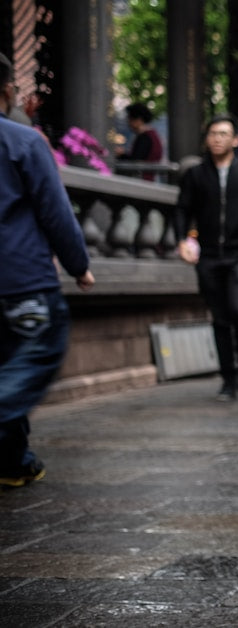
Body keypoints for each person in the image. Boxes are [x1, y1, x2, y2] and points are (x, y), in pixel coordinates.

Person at [0, 52, 95, 487]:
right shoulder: (23, 141)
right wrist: (79, 265)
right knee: (36, 353)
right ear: (7, 92)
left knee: (6, 363)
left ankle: (13, 462)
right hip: (21, 279)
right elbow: (56, 213)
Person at [174, 114, 238, 402]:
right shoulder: (196, 175)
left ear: (235, 140)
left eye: (223, 134)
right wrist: (182, 240)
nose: (217, 138)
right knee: (219, 317)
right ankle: (228, 378)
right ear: (206, 139)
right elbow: (182, 209)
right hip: (208, 255)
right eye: (213, 134)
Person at [116, 102, 163, 182]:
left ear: (139, 120)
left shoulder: (145, 137)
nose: (128, 123)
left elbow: (135, 160)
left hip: (142, 180)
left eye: (130, 119)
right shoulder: (152, 135)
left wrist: (121, 154)